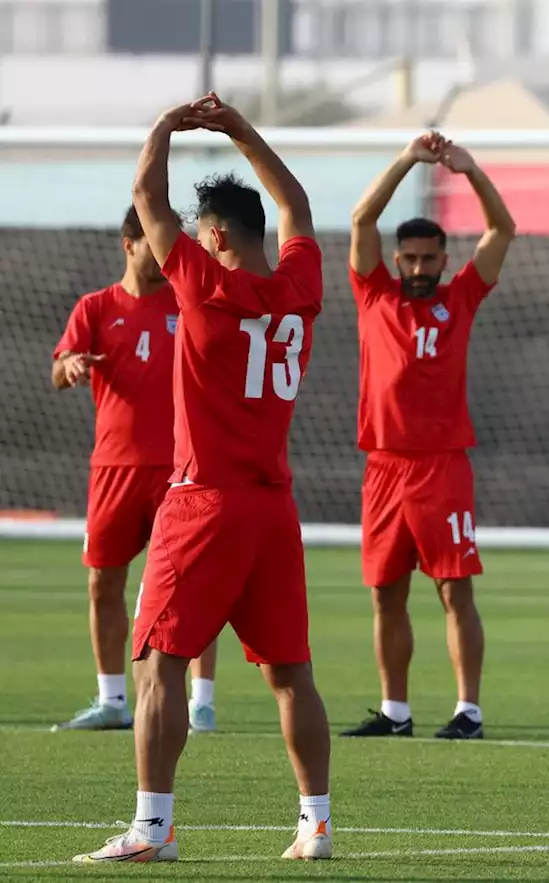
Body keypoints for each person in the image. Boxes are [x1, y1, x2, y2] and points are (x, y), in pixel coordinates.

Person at [73, 93, 333, 863]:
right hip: (273, 507)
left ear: (214, 236)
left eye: (198, 234)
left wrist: (164, 126)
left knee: (158, 663)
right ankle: (315, 824)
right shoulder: (298, 288)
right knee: (292, 673)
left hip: (204, 500)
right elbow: (299, 205)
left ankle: (152, 828)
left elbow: (146, 199)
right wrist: (241, 130)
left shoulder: (203, 283)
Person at [339, 132, 515, 741]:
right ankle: (395, 711)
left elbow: (502, 231)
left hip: (442, 466)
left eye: (427, 259)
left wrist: (468, 172)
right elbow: (362, 217)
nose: (417, 269)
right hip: (383, 466)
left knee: (453, 588)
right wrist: (408, 160)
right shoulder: (373, 294)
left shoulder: (461, 297)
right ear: (397, 259)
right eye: (408, 258)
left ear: (444, 260)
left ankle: (468, 710)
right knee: (386, 593)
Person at [52, 206, 220, 735]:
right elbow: (59, 369)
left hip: (180, 468)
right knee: (104, 581)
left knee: (193, 584)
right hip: (114, 469)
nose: (167, 251)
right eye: (155, 242)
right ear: (130, 245)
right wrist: (71, 366)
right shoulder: (97, 307)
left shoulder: (186, 301)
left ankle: (201, 703)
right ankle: (112, 701)